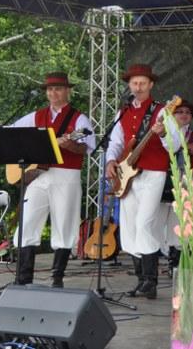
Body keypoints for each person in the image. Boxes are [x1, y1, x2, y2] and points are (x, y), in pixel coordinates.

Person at [12, 72, 96, 288]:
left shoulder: (79, 119)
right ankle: (23, 279)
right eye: (50, 89)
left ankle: (57, 278)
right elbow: (13, 134)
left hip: (66, 175)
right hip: (38, 175)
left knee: (64, 223)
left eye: (58, 88)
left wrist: (70, 144)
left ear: (68, 91)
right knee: (27, 220)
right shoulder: (36, 116)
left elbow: (86, 147)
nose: (53, 93)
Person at [105, 63, 180, 299]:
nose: (138, 87)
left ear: (151, 85)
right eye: (134, 83)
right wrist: (110, 161)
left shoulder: (162, 111)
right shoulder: (123, 112)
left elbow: (176, 144)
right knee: (129, 227)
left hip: (153, 173)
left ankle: (151, 280)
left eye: (143, 83)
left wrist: (163, 133)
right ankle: (142, 281)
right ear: (129, 85)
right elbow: (116, 142)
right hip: (128, 174)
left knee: (144, 222)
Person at [162, 99, 193, 273]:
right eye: (179, 112)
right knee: (161, 221)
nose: (184, 115)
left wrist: (179, 142)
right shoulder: (164, 131)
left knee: (182, 222)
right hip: (163, 183)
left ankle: (178, 261)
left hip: (187, 184)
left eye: (187, 112)